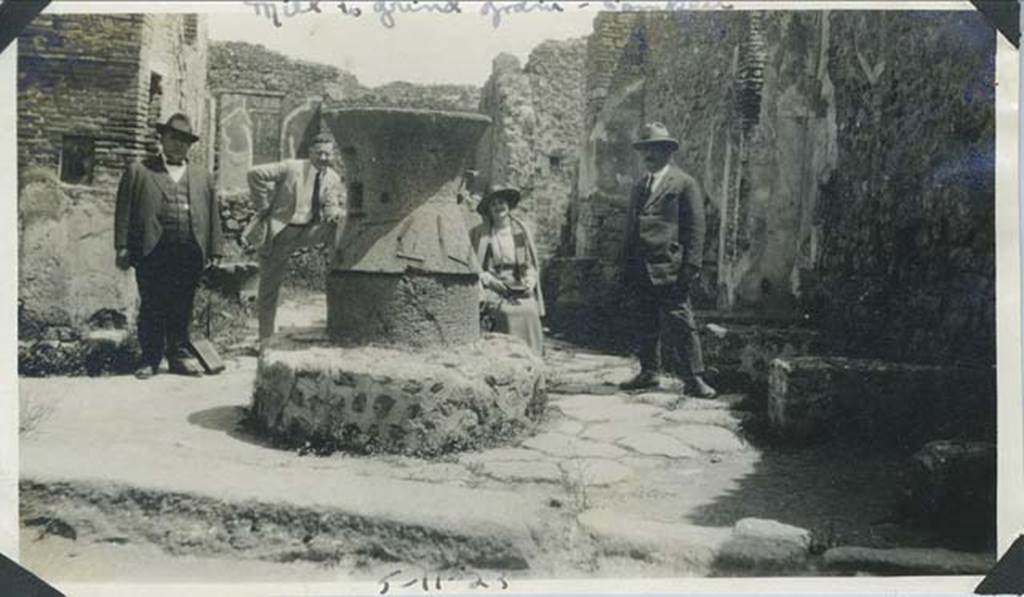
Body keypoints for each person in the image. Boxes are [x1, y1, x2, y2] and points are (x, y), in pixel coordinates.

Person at [114, 113, 223, 379]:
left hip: (189, 250)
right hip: (152, 250)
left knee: (182, 304)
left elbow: (213, 214)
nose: (179, 145)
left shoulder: (202, 176)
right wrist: (122, 246)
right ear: (162, 138)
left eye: (185, 141)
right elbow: (124, 211)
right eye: (174, 138)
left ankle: (178, 357)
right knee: (152, 303)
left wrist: (216, 249)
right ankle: (150, 358)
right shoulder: (140, 171)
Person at [619, 122, 716, 399]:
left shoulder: (684, 183)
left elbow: (696, 228)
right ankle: (649, 372)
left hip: (670, 266)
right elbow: (630, 227)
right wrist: (625, 263)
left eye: (654, 150)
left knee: (680, 322)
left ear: (666, 152)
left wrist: (692, 266)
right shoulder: (640, 186)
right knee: (644, 320)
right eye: (645, 150)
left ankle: (693, 378)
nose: (648, 156)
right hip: (640, 265)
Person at [245, 132, 346, 341]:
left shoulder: (333, 177)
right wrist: (263, 207)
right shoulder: (292, 167)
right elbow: (255, 174)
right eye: (319, 154)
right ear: (310, 153)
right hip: (281, 231)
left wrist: (334, 214)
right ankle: (265, 339)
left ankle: (337, 271)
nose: (324, 159)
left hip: (308, 231)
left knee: (340, 227)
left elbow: (331, 204)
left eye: (328, 154)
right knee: (269, 286)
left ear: (333, 154)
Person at [470, 185, 545, 355]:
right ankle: (508, 357)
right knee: (505, 312)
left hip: (517, 286)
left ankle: (532, 356)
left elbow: (529, 264)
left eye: (501, 202)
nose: (498, 207)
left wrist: (530, 279)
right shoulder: (480, 233)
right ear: (489, 210)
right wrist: (487, 279)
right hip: (493, 287)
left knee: (529, 310)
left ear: (508, 205)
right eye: (493, 204)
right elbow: (473, 264)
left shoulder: (520, 230)